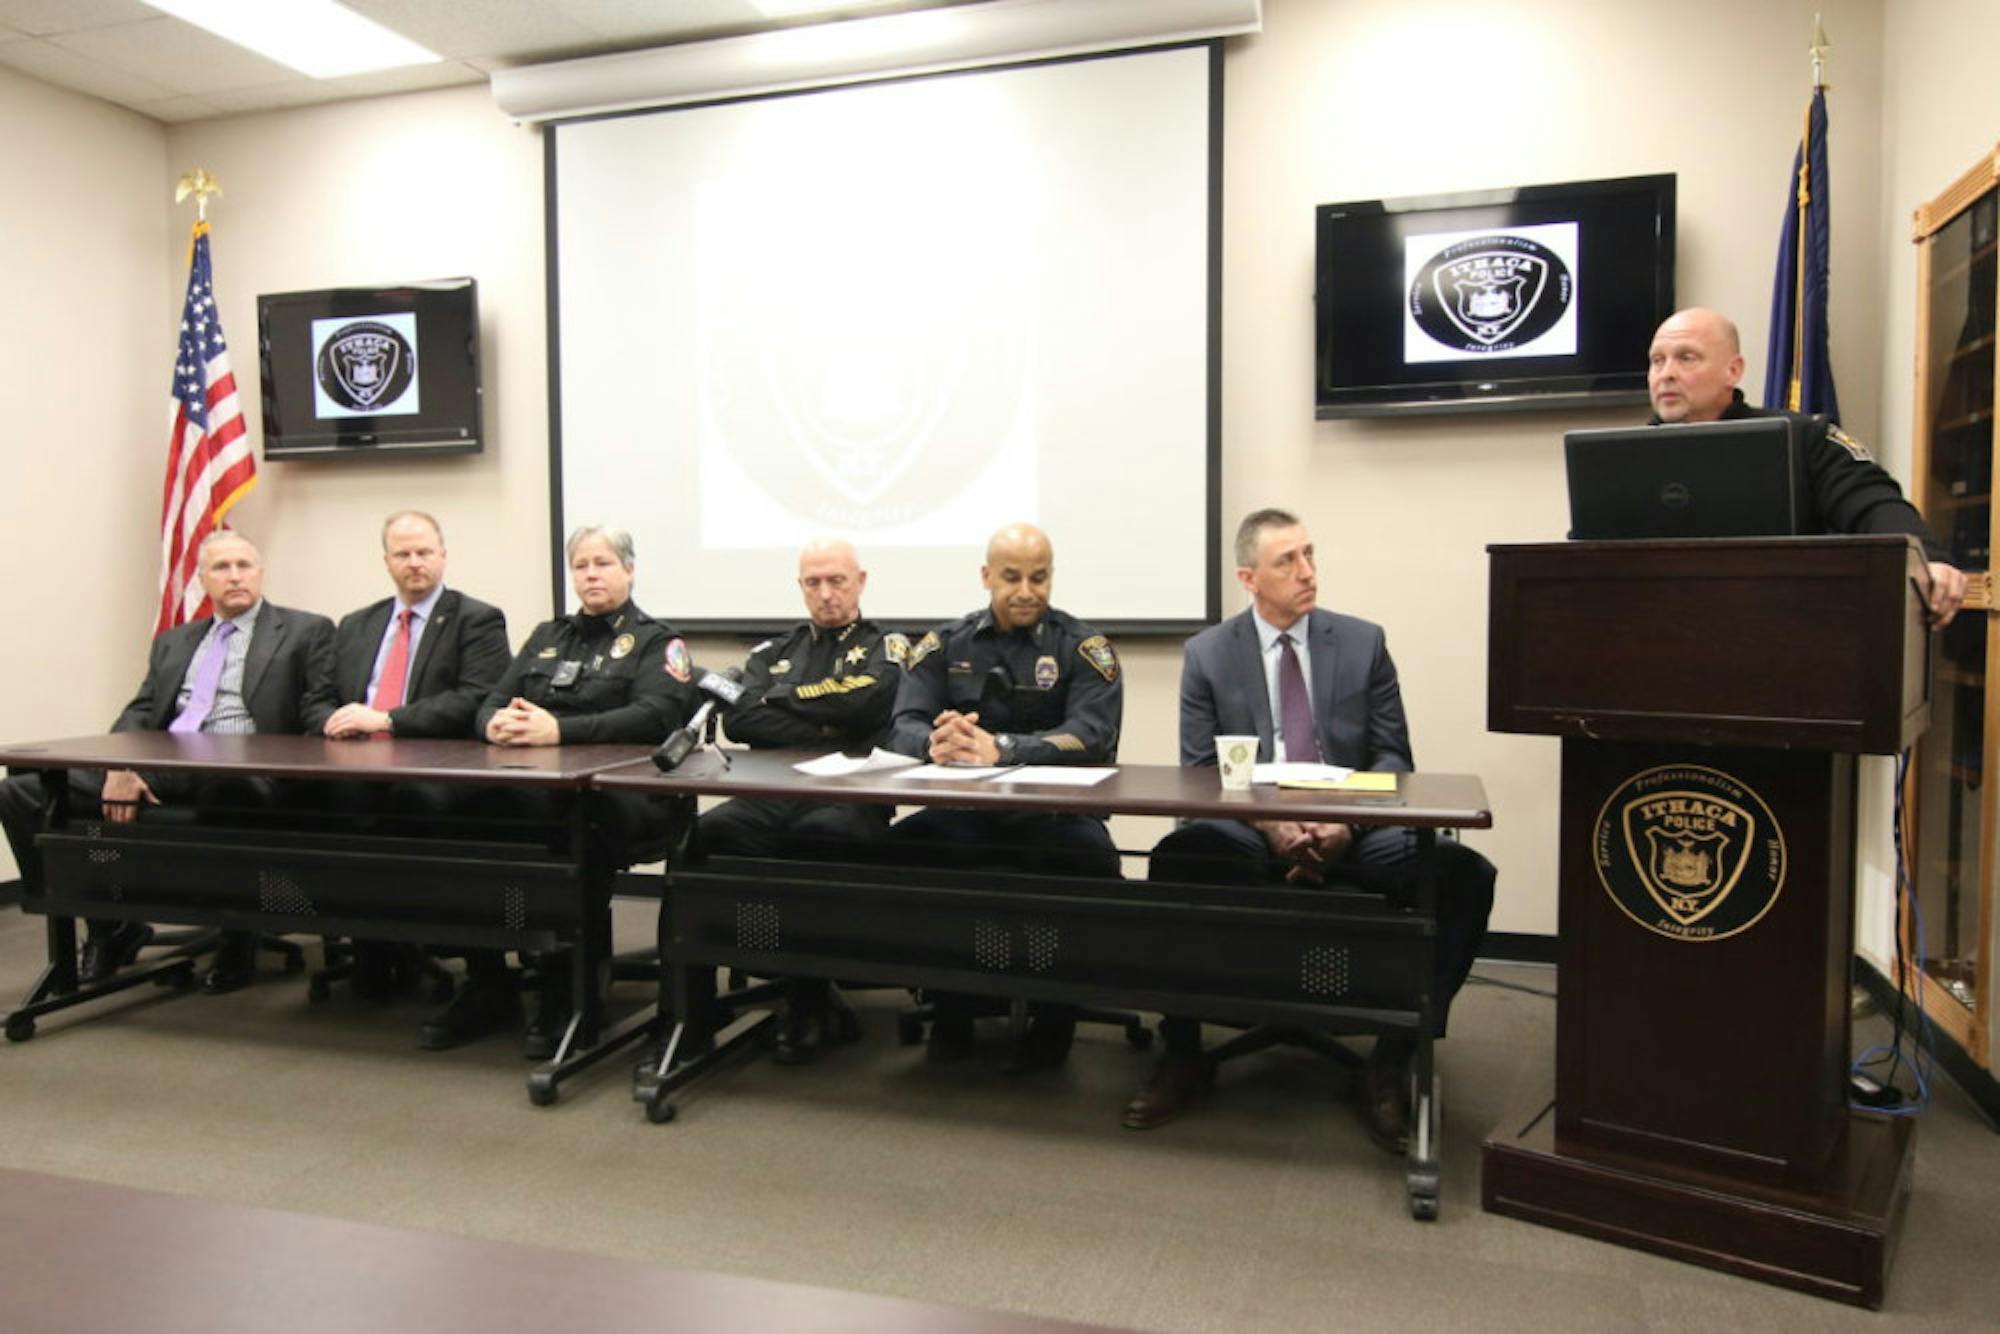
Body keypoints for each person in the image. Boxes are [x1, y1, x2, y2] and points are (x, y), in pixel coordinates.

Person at [1129, 509, 1495, 1150]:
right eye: (1287, 562)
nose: (1307, 572)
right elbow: (1199, 773)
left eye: (1310, 555)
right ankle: (1183, 1050)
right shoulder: (1209, 655)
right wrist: (1274, 828)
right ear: (1249, 577)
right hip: (1251, 818)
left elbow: (1392, 759)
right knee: (1182, 857)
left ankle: (1392, 1057)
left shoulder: (1361, 642)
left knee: (1461, 874)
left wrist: (1342, 826)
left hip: (1351, 817)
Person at [0, 530, 336, 993]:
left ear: (260, 573)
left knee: (229, 791)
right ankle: (106, 926)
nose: (234, 576)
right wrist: (122, 766)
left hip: (243, 768)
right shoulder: (174, 641)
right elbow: (140, 711)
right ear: (202, 579)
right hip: (168, 759)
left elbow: (316, 711)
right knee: (21, 793)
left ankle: (238, 934)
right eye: (221, 567)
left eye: (244, 565)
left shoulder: (307, 631)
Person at [883, 522, 1123, 1071]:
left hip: (1054, 815)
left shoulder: (1085, 648)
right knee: (907, 847)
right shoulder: (945, 644)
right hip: (966, 813)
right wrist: (935, 742)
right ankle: (951, 1005)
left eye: (1039, 578)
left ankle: (1056, 1013)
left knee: (1088, 861)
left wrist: (1006, 748)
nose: (1026, 591)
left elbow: (1092, 735)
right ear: (986, 576)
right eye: (1011, 577)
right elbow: (901, 727)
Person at [466, 524, 696, 1059]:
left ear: (630, 570)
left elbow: (657, 715)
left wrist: (561, 731)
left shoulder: (658, 641)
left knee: (568, 837)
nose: (591, 574)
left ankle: (571, 995)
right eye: (582, 565)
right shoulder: (549, 636)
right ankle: (487, 980)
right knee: (468, 820)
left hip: (619, 798)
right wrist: (493, 726)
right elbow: (489, 702)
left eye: (603, 564)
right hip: (534, 789)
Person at [694, 537, 908, 1063]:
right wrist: (825, 715)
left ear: (861, 581)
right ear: (800, 587)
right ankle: (691, 1004)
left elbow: (868, 701)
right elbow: (740, 718)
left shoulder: (890, 646)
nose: (826, 593)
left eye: (837, 580)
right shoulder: (773, 651)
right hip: (772, 789)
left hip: (852, 791)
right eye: (813, 582)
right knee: (704, 836)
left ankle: (807, 997)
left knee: (819, 838)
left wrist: (777, 701)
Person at [1647, 306, 1967, 626]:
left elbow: (1873, 502)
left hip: (1776, 630)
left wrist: (1928, 561)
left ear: (1733, 370)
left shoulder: (1800, 438)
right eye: (1657, 361)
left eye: (1686, 357)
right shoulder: (1619, 456)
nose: (1666, 374)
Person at [319, 511, 512, 1032]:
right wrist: (335, 723)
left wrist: (387, 720)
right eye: (403, 554)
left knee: (416, 810)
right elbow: (324, 698)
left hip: (441, 770)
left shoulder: (477, 619)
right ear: (387, 562)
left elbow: (476, 699)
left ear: (443, 555)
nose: (415, 563)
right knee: (315, 807)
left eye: (425, 552)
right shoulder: (357, 624)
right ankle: (374, 947)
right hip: (357, 766)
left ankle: (478, 970)